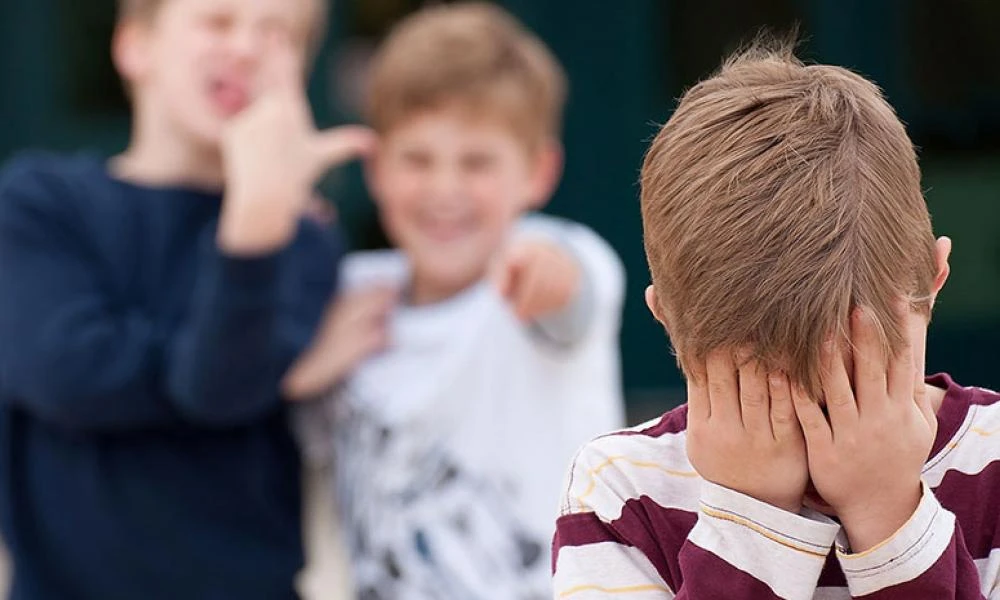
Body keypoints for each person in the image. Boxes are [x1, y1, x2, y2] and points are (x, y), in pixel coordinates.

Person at [551, 42, 1000, 599]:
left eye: (856, 377)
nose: (828, 435)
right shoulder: (621, 492)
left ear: (932, 281)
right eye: (773, 388)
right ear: (666, 319)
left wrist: (888, 512)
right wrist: (752, 519)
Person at [0, 0, 373, 597]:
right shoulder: (41, 204)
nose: (247, 48)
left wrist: (256, 217)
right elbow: (64, 373)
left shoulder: (302, 239)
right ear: (134, 47)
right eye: (218, 21)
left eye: (278, 34)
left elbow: (217, 388)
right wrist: (268, 374)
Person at [284, 4, 626, 598]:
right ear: (376, 169)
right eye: (417, 159)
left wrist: (545, 274)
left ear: (538, 172)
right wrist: (304, 369)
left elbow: (571, 292)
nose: (445, 189)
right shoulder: (351, 295)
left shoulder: (552, 254)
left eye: (477, 162)